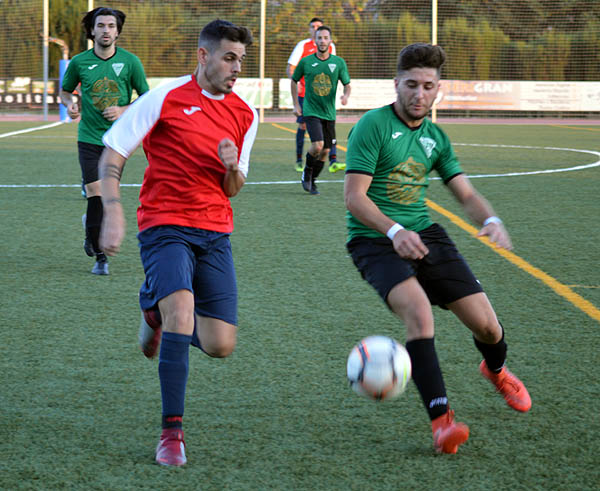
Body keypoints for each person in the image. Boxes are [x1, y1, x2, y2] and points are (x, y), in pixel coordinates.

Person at [344, 43, 531, 454]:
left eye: (428, 86)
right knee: (419, 312)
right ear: (396, 84)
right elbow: (355, 198)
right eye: (411, 84)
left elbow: (464, 193)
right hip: (374, 239)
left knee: (487, 326)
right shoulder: (372, 126)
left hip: (426, 235)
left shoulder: (435, 137)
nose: (419, 94)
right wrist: (394, 231)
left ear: (438, 89)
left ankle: (495, 370)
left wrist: (491, 220)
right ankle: (442, 424)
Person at [98, 19, 257, 467]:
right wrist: (112, 213)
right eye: (229, 57)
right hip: (164, 223)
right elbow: (114, 153)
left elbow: (233, 187)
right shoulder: (164, 97)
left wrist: (230, 167)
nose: (236, 68)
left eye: (241, 60)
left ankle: (154, 309)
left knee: (220, 344)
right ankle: (172, 433)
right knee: (182, 311)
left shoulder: (247, 114)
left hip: (215, 231)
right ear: (203, 56)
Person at [60, 7, 149, 275]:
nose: (106, 30)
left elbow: (146, 98)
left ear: (118, 31)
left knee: (102, 194)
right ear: (92, 30)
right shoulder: (79, 62)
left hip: (118, 142)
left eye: (111, 26)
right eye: (101, 25)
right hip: (88, 137)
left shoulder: (131, 62)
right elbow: (65, 91)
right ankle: (101, 256)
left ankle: (91, 232)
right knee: (96, 192)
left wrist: (123, 110)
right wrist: (70, 103)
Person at [291, 25, 351, 195]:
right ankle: (307, 172)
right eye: (319, 38)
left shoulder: (338, 63)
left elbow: (347, 84)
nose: (322, 41)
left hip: (329, 113)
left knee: (325, 151)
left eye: (325, 38)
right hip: (311, 111)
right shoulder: (306, 62)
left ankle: (313, 180)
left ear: (330, 41)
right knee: (317, 145)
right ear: (315, 40)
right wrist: (296, 104)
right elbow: (293, 80)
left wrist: (346, 96)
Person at [287, 17, 343, 173]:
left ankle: (333, 160)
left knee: (329, 124)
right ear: (311, 30)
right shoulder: (302, 45)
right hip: (306, 94)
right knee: (303, 125)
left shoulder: (330, 47)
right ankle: (299, 160)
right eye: (313, 27)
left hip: (324, 96)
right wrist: (295, 83)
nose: (315, 29)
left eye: (319, 27)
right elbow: (291, 67)